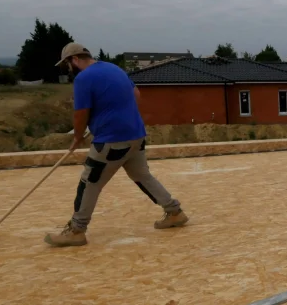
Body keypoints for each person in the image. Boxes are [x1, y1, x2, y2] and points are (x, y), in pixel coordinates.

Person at [44, 42, 188, 247]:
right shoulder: (113, 68)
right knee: (142, 175)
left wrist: (77, 137)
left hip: (111, 140)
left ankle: (76, 230)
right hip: (135, 134)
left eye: (68, 64)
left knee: (90, 182)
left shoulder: (84, 78)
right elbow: (136, 95)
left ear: (74, 60)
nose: (68, 69)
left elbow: (81, 113)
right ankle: (175, 212)